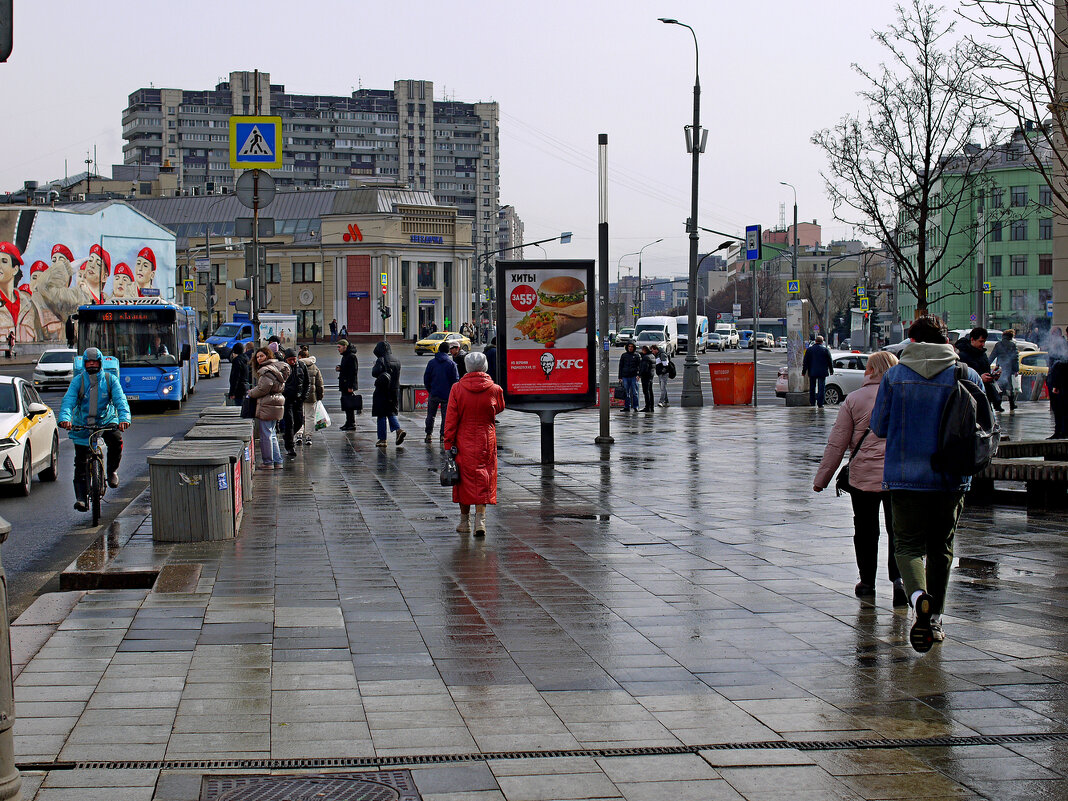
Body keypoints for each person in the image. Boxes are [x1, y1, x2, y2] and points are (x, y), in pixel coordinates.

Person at [869, 315, 981, 653]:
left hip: (905, 478)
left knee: (907, 546)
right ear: (945, 340)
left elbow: (879, 426)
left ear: (912, 342)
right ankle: (935, 619)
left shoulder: (895, 375)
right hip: (951, 478)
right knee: (941, 548)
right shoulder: (966, 374)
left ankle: (918, 599)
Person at [814, 351, 906, 606]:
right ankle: (899, 579)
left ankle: (867, 582)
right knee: (898, 530)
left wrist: (822, 478)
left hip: (863, 477)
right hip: (899, 476)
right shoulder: (904, 396)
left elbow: (837, 443)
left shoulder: (854, 400)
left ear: (870, 370)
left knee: (865, 530)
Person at [58, 347, 132, 511]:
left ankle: (112, 471)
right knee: (80, 461)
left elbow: (120, 400)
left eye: (94, 361)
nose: (91, 364)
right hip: (82, 423)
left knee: (116, 440)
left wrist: (124, 419)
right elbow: (68, 401)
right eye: (88, 362)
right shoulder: (78, 381)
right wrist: (65, 419)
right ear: (85, 364)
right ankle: (81, 498)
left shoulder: (110, 379)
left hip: (106, 421)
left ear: (100, 363)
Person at [443, 351, 505, 537]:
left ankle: (464, 522)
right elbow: (500, 407)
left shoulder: (457, 389)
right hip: (486, 439)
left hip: (463, 440)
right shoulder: (495, 389)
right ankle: (481, 521)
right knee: (484, 478)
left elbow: (451, 419)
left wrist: (448, 443)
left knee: (463, 480)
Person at [246, 347, 289, 469]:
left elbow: (263, 388)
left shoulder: (266, 370)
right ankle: (277, 460)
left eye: (262, 356)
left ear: (268, 356)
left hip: (267, 404)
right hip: (276, 402)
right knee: (272, 433)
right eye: (258, 357)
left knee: (266, 434)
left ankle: (268, 462)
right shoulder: (276, 367)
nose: (259, 359)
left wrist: (251, 393)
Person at [955, 327, 1002, 412]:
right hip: (971, 397)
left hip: (985, 395)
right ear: (972, 339)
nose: (983, 344)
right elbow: (961, 378)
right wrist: (980, 378)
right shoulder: (963, 356)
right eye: (981, 341)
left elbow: (984, 370)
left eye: (984, 341)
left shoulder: (982, 354)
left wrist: (993, 375)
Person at [371, 341, 406, 448]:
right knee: (391, 412)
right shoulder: (396, 360)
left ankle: (382, 439)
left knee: (381, 414)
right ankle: (398, 430)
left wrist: (375, 365)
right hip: (394, 390)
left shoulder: (381, 360)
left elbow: (375, 373)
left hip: (382, 390)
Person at [424, 341, 460, 442]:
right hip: (447, 395)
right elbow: (455, 380)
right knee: (446, 416)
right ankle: (443, 435)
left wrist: (430, 390)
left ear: (439, 350)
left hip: (434, 393)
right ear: (448, 351)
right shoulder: (451, 364)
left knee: (430, 415)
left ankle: (428, 434)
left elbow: (426, 378)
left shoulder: (431, 363)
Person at [281, 349, 309, 457]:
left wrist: (304, 396)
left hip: (298, 399)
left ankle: (288, 436)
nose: (292, 362)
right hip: (287, 399)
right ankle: (290, 447)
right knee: (289, 422)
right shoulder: (283, 367)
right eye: (290, 360)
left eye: (294, 359)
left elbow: (307, 382)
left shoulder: (301, 366)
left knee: (299, 421)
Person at [298, 345, 324, 445]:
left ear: (300, 357)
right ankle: (308, 436)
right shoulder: (315, 367)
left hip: (299, 395)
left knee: (300, 415)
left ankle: (299, 435)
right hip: (311, 396)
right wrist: (320, 396)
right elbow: (319, 384)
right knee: (309, 417)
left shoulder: (297, 366)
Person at [990, 329, 1020, 412]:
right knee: (1009, 387)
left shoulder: (998, 345)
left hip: (1000, 368)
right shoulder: (1012, 345)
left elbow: (992, 356)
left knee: (1000, 387)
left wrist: (987, 365)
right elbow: (1015, 358)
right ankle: (1012, 404)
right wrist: (1016, 370)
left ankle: (998, 405)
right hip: (1009, 368)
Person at [802, 335, 834, 407]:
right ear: (822, 342)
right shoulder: (825, 350)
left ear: (815, 341)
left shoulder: (809, 350)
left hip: (812, 371)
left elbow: (805, 362)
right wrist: (831, 371)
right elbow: (830, 361)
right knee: (821, 388)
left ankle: (812, 402)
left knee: (812, 387)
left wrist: (804, 372)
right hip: (822, 372)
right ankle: (820, 403)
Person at [336, 339, 359, 431]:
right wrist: (340, 368)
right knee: (346, 404)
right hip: (344, 384)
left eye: (339, 347)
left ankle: (351, 423)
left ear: (345, 347)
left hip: (348, 385)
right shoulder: (345, 356)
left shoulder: (351, 357)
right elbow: (347, 369)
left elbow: (353, 372)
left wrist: (351, 386)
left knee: (349, 405)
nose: (338, 349)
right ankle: (348, 422)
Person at [617, 342, 641, 412]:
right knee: (626, 393)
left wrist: (638, 375)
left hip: (634, 376)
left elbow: (640, 366)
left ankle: (635, 406)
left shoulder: (637, 355)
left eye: (631, 347)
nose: (630, 348)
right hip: (625, 376)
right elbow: (620, 366)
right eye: (629, 346)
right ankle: (627, 406)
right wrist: (620, 377)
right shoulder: (624, 355)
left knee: (635, 393)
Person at [1049, 356, 1068, 438]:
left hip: (1062, 389)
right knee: (1059, 412)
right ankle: (1060, 431)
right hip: (1059, 388)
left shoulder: (1061, 363)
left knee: (1062, 412)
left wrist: (1055, 386)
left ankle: (1062, 432)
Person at [228, 343, 251, 407]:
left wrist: (232, 392)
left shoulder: (237, 361)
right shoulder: (246, 359)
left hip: (238, 389)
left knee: (239, 407)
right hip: (245, 387)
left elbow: (235, 377)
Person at [638, 345, 655, 412]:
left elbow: (644, 368)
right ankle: (651, 406)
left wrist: (639, 375)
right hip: (651, 375)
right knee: (650, 391)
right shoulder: (652, 356)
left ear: (644, 350)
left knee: (646, 391)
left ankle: (647, 406)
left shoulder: (646, 357)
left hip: (646, 376)